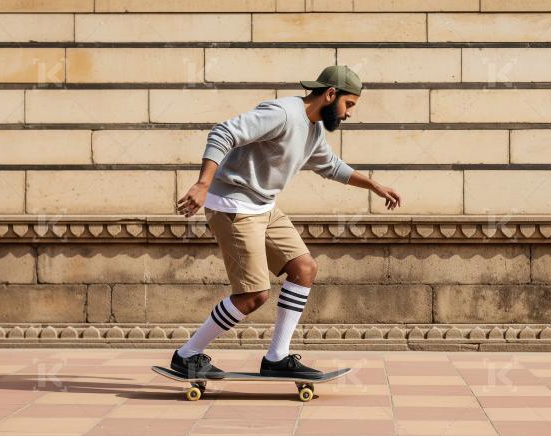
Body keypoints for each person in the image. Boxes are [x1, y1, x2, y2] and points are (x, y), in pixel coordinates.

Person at [169, 65, 402, 380]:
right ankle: (187, 355)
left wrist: (373, 185)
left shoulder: (314, 127)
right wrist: (202, 184)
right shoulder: (282, 113)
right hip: (234, 206)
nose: (348, 115)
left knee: (303, 269)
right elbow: (223, 132)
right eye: (349, 105)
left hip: (263, 205)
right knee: (253, 296)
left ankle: (276, 358)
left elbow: (330, 165)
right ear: (331, 94)